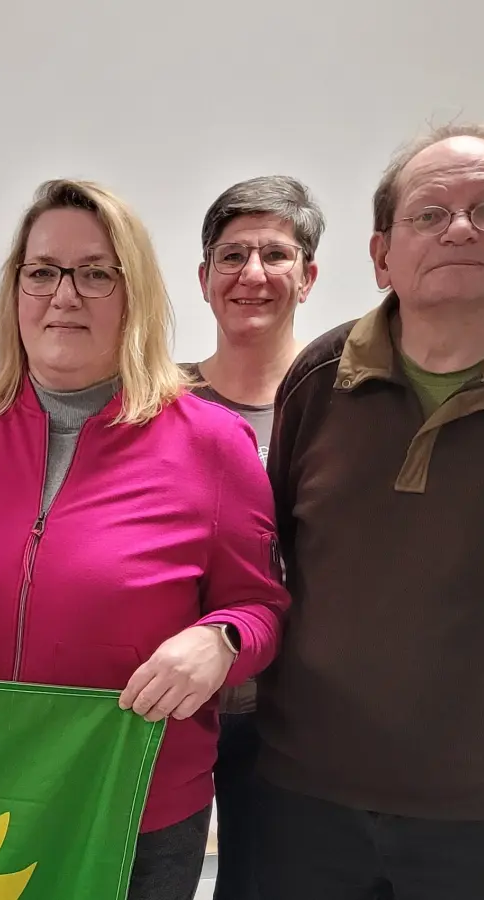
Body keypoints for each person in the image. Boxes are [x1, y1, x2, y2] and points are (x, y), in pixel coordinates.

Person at [0, 178, 290, 900]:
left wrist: (220, 640)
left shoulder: (212, 443)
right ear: (16, 290)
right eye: (44, 272)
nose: (65, 295)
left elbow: (261, 608)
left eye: (95, 274)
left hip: (133, 813)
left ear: (135, 293)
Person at [257, 123, 484, 900]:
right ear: (381, 253)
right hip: (306, 793)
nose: (459, 227)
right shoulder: (319, 381)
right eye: (429, 214)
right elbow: (284, 555)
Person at [182, 175, 324, 900]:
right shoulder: (157, 401)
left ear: (309, 274)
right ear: (204, 278)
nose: (254, 275)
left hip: (297, 718)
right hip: (173, 698)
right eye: (233, 256)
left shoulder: (342, 404)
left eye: (276, 254)